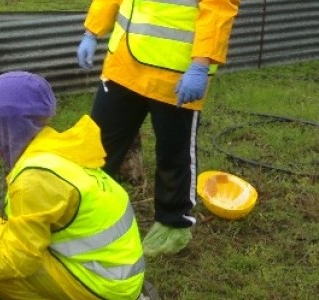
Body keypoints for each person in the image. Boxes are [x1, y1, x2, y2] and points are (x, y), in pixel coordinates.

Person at [0, 71, 145, 299]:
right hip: (115, 275)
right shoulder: (54, 149)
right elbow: (26, 232)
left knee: (2, 273)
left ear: (6, 126)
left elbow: (17, 259)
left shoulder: (34, 177)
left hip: (105, 287)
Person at [76, 0, 241, 256]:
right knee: (96, 144)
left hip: (174, 75)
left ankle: (172, 224)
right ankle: (84, 211)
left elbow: (218, 11)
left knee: (173, 153)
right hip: (124, 65)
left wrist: (200, 64)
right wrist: (92, 31)